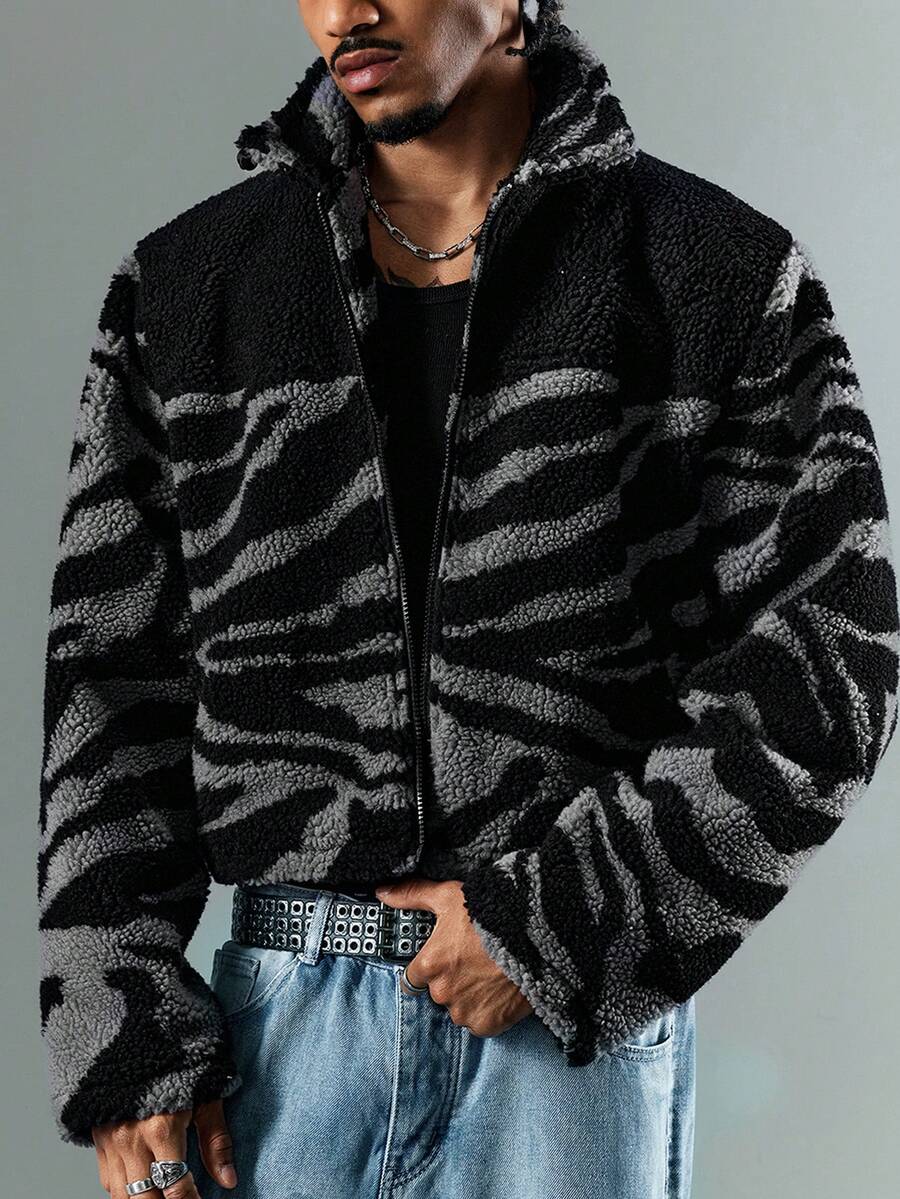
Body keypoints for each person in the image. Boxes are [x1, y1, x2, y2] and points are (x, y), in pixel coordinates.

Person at [37, 2, 899, 1197]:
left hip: (560, 1044)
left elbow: (831, 664)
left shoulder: (714, 272)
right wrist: (123, 1027)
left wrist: (563, 922)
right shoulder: (188, 289)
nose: (345, 12)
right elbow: (110, 680)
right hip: (276, 1049)